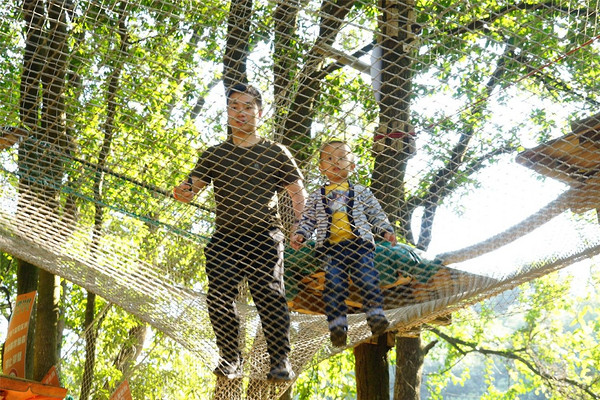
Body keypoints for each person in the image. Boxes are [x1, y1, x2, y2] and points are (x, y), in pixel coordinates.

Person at [173, 83, 306, 381]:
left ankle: (280, 361)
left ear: (259, 112)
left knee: (269, 295)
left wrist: (300, 224)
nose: (240, 113)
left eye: (247, 107)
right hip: (226, 238)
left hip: (264, 235)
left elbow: (297, 192)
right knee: (219, 296)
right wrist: (183, 192)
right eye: (234, 107)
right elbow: (192, 187)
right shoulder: (214, 155)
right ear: (228, 112)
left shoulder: (275, 152)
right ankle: (230, 359)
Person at [290, 140, 396, 347]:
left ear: (352, 165)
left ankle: (376, 316)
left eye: (341, 157)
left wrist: (385, 230)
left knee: (368, 279)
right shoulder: (316, 196)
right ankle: (337, 326)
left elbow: (375, 213)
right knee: (334, 285)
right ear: (321, 167)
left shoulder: (362, 191)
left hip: (360, 246)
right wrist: (301, 234)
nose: (335, 162)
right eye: (329, 158)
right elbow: (308, 219)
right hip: (331, 249)